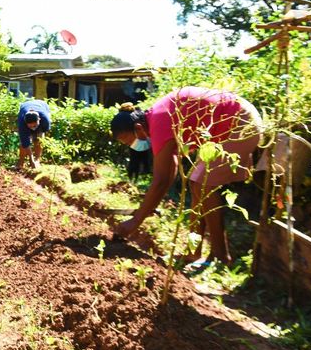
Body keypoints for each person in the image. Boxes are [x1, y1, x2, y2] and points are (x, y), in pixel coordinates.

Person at [110, 87, 262, 265]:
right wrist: (146, 209)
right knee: (196, 183)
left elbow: (161, 180)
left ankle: (221, 257)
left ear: (138, 128)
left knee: (201, 184)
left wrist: (135, 221)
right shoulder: (156, 118)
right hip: (234, 121)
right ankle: (193, 253)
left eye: (129, 140)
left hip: (240, 122)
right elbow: (169, 173)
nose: (132, 145)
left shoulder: (159, 121)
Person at [17, 99, 51, 169]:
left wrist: (36, 137)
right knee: (23, 143)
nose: (33, 128)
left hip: (42, 105)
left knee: (38, 139)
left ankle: (37, 160)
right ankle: (21, 163)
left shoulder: (45, 119)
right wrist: (31, 160)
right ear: (26, 123)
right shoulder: (22, 123)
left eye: (35, 125)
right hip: (25, 106)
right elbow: (25, 143)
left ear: (39, 120)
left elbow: (43, 134)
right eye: (30, 126)